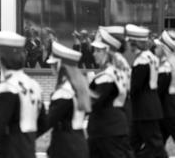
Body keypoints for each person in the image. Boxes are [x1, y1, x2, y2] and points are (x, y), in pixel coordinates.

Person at [0, 31, 45, 158]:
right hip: (28, 150)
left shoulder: (7, 88)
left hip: (10, 152)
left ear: (1, 58)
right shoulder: (34, 85)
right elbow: (43, 122)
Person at [37, 41, 91, 158]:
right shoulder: (78, 87)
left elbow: (48, 121)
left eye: (53, 64)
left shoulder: (63, 92)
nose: (51, 68)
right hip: (80, 142)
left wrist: (28, 137)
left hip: (65, 147)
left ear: (60, 65)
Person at [87, 27, 132, 158]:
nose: (94, 54)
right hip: (115, 127)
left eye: (97, 51)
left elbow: (93, 102)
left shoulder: (106, 77)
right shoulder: (118, 71)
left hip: (106, 130)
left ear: (106, 52)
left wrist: (85, 87)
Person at [125, 24, 167, 158]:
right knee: (132, 144)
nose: (128, 46)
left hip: (144, 109)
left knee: (154, 145)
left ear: (134, 43)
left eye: (130, 43)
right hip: (149, 107)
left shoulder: (141, 60)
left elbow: (135, 86)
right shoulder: (151, 57)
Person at [154, 30, 175, 152]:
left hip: (169, 106)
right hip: (169, 106)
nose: (156, 48)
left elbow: (159, 89)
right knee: (158, 143)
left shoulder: (167, 64)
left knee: (158, 142)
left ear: (165, 47)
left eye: (159, 46)